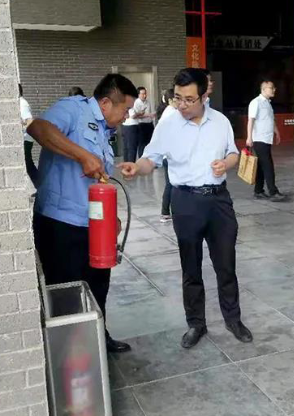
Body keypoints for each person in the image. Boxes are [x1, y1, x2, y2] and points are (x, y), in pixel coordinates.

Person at [118, 68, 253, 349]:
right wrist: (137, 167)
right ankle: (196, 324)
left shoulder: (220, 122)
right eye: (178, 98)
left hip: (218, 201)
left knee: (226, 265)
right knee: (190, 267)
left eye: (189, 99)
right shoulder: (168, 124)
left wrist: (226, 164)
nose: (182, 105)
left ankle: (233, 319)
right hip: (185, 201)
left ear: (204, 96)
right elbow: (150, 159)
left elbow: (233, 153)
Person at [27, 74, 138, 353]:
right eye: (125, 109)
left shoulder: (105, 131)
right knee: (67, 289)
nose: (127, 116)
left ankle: (98, 338)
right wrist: (82, 155)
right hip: (61, 224)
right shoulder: (74, 110)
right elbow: (37, 127)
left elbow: (99, 183)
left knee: (99, 283)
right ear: (105, 103)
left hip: (94, 225)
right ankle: (72, 354)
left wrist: (112, 218)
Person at [246, 79, 286, 202]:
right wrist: (249, 137)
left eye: (274, 88)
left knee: (261, 166)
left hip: (267, 139)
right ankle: (273, 192)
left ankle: (258, 191)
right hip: (259, 139)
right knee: (268, 166)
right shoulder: (256, 102)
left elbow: (271, 120)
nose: (274, 90)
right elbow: (251, 120)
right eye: (271, 88)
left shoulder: (268, 103)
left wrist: (277, 132)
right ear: (263, 89)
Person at [157, 88, 178, 223]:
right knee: (171, 185)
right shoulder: (172, 113)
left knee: (170, 184)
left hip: (167, 155)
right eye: (177, 99)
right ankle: (165, 212)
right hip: (170, 156)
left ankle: (166, 212)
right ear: (170, 100)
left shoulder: (168, 112)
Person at [121, 86, 154, 162]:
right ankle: (131, 165)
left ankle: (128, 164)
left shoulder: (127, 102)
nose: (144, 95)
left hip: (130, 125)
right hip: (131, 126)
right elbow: (132, 115)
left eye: (145, 93)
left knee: (128, 147)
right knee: (132, 147)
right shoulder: (131, 102)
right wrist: (141, 113)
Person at [19, 84, 38, 189]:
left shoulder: (22, 103)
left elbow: (29, 121)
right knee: (28, 164)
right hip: (25, 139)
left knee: (28, 165)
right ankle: (41, 187)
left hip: (25, 139)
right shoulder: (20, 103)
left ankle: (42, 187)